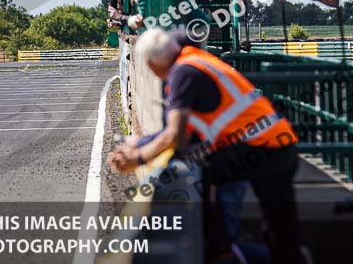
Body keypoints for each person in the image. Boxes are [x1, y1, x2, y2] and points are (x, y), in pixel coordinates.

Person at [110, 28, 303, 263]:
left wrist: (138, 157)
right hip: (278, 146)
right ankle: (244, 251)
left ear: (151, 64)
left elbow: (175, 136)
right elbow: (185, 131)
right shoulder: (195, 61)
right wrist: (141, 142)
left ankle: (221, 249)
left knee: (193, 175)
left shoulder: (183, 74)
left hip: (259, 150)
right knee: (282, 228)